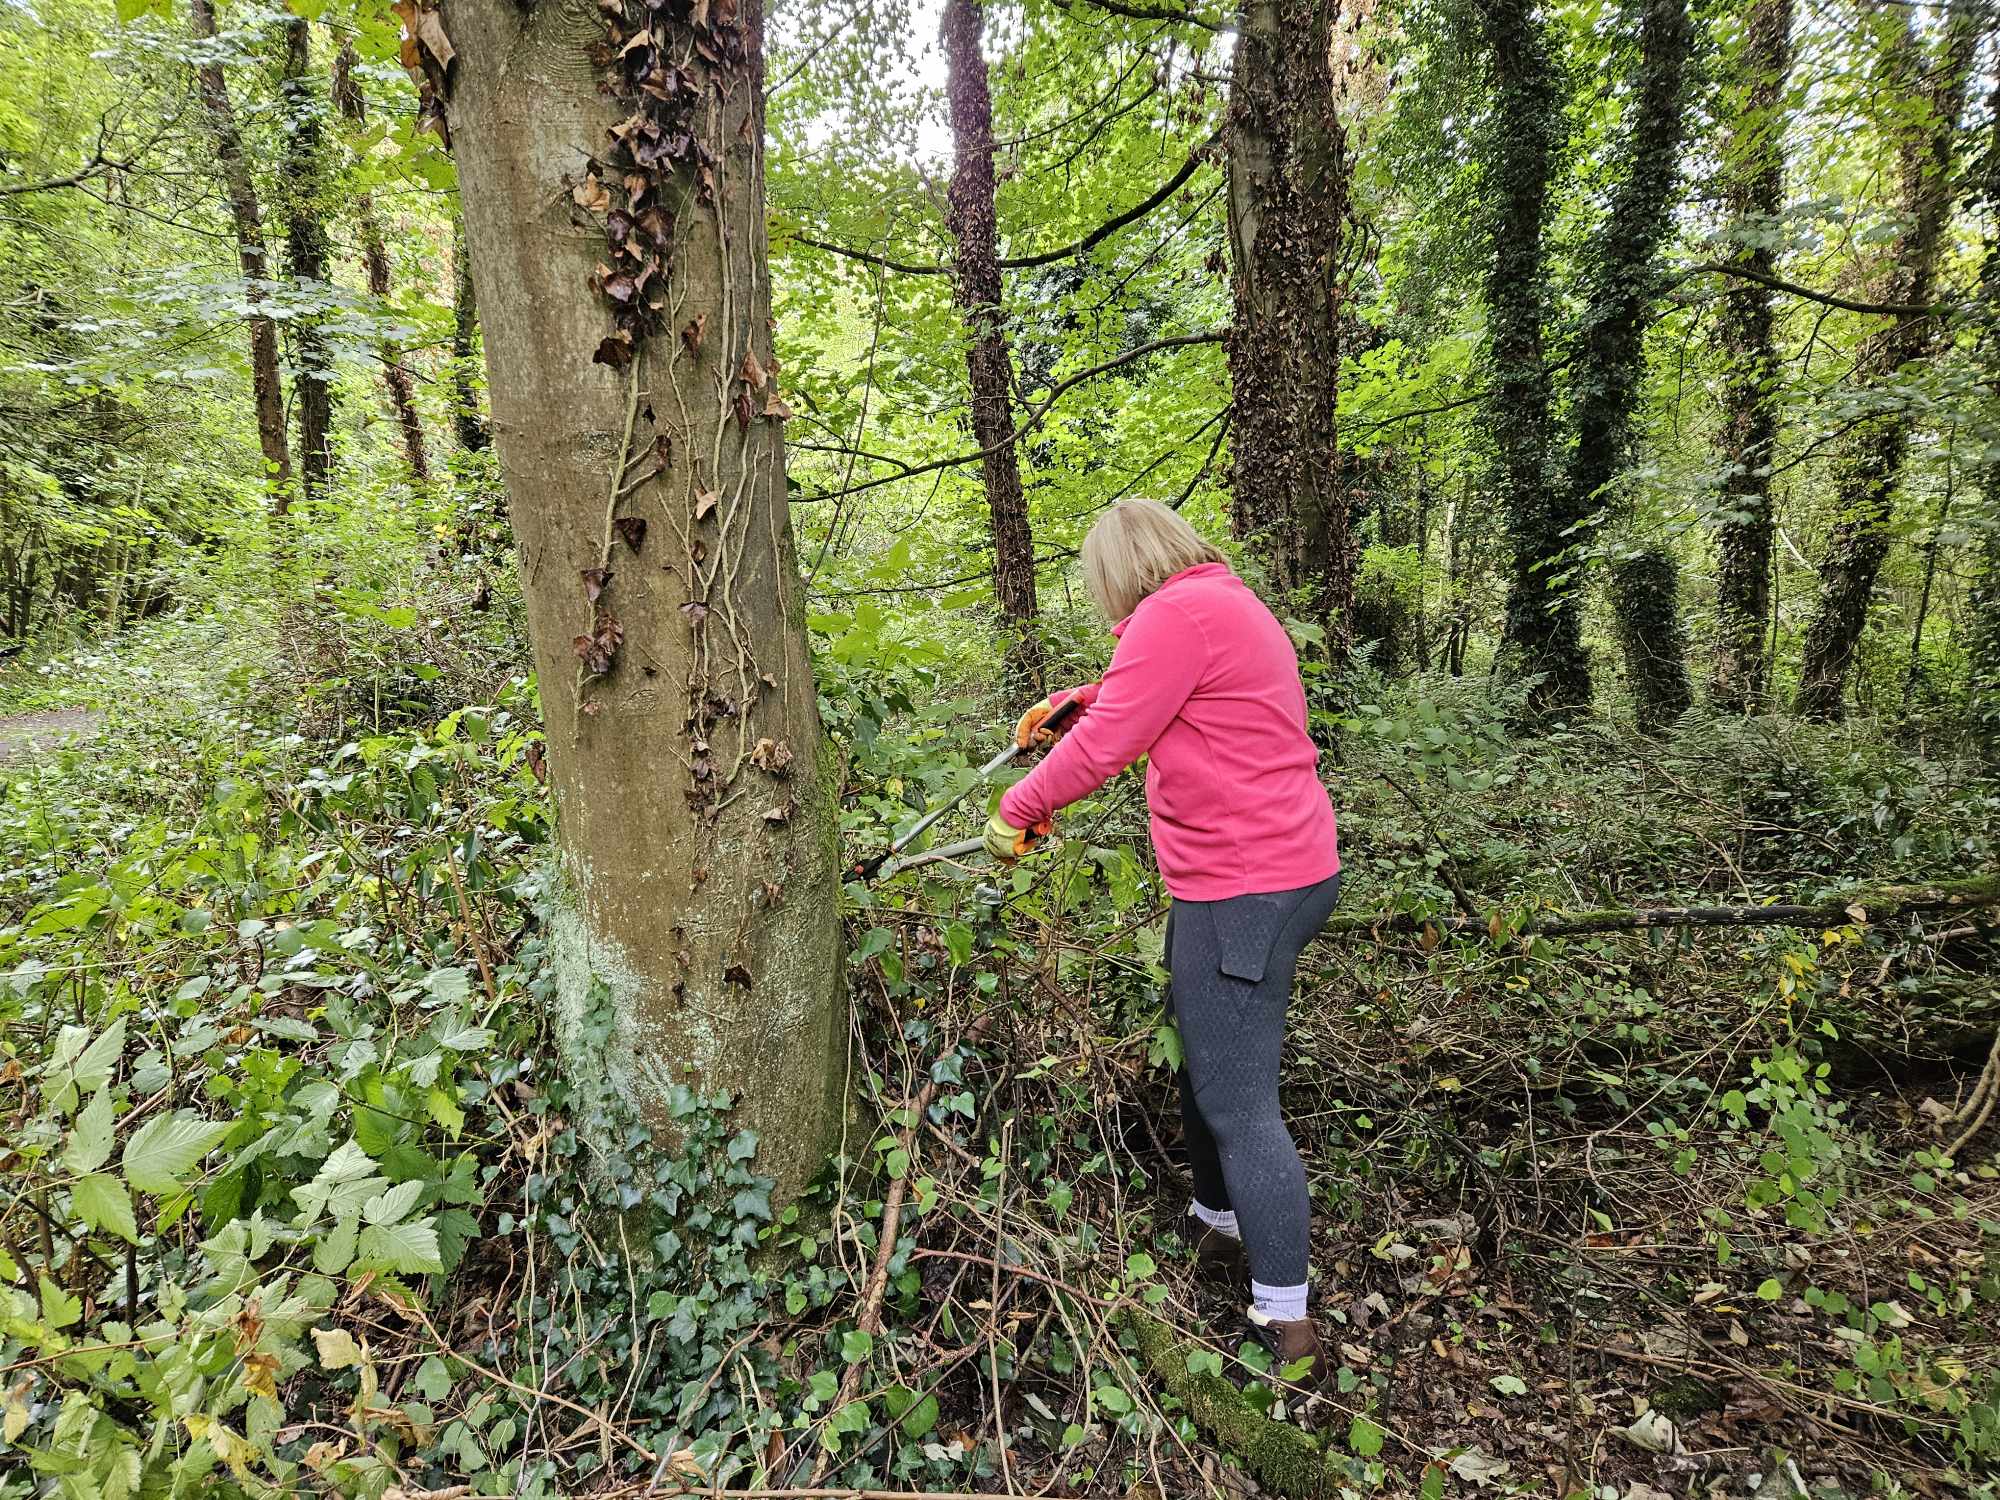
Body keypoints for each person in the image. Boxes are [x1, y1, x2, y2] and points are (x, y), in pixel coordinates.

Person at [984, 500, 1342, 1381]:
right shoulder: (1217, 601)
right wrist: (1081, 696)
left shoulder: (1172, 614)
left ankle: (1286, 1323)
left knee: (1242, 1104)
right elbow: (1142, 696)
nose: (1106, 603)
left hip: (1243, 885)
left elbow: (1113, 743)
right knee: (1204, 1056)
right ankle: (1220, 1222)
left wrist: (1019, 806)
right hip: (1271, 873)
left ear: (1123, 568)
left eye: (1101, 581)